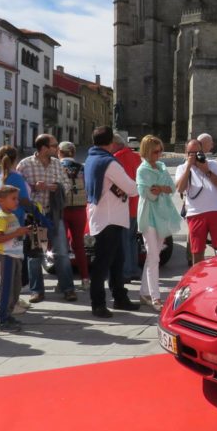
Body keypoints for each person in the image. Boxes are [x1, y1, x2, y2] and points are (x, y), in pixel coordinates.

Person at [84, 126, 140, 316]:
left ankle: (120, 297)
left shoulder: (91, 158)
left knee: (117, 261)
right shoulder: (110, 163)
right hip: (110, 218)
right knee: (103, 263)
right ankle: (98, 303)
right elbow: (132, 189)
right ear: (112, 143)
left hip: (103, 216)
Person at [17, 134, 77, 302]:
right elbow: (17, 188)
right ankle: (37, 291)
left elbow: (67, 185)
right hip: (35, 216)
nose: (57, 148)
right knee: (35, 254)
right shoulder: (25, 164)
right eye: (54, 145)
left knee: (62, 253)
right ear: (43, 148)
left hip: (54, 213)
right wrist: (34, 187)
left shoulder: (57, 164)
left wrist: (56, 187)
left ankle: (68, 288)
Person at [135, 136, 181, 311]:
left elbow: (171, 188)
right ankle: (155, 297)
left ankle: (144, 293)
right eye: (156, 151)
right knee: (154, 256)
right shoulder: (142, 170)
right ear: (146, 151)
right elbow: (148, 194)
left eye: (161, 150)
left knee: (153, 256)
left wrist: (160, 188)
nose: (159, 154)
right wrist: (161, 189)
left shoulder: (161, 167)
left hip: (163, 215)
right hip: (148, 216)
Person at [175, 137, 217, 266]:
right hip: (195, 214)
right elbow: (180, 188)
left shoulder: (212, 164)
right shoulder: (182, 168)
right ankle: (198, 281)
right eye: (191, 153)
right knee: (197, 251)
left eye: (197, 153)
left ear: (203, 152)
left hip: (216, 211)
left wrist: (206, 170)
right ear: (186, 154)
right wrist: (189, 166)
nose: (194, 156)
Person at [0, 185, 30, 332]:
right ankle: (2, 319)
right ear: (1, 201)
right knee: (5, 289)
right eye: (13, 199)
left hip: (14, 256)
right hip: (5, 257)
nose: (16, 201)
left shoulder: (11, 216)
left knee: (15, 288)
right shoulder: (1, 218)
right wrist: (17, 233)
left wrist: (23, 232)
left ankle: (8, 314)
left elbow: (13, 234)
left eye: (17, 198)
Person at [58, 141, 90, 290]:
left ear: (60, 152)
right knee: (79, 245)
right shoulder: (83, 168)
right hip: (79, 209)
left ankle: (63, 281)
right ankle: (85, 279)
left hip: (62, 209)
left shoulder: (57, 167)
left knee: (62, 247)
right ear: (74, 153)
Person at [112, 137, 142, 282]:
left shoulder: (116, 158)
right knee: (132, 239)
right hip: (137, 204)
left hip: (124, 204)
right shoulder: (136, 157)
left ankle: (127, 271)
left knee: (123, 240)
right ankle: (134, 269)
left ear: (116, 144)